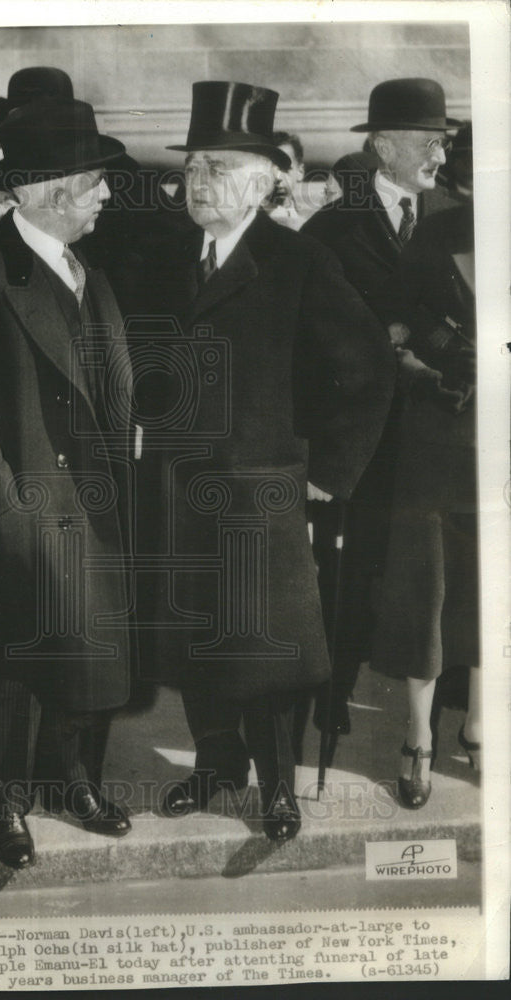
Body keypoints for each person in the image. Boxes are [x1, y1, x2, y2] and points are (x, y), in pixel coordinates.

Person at [133, 81, 395, 842]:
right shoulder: (165, 254)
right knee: (195, 636)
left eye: (218, 167)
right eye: (193, 169)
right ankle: (216, 765)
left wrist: (329, 471)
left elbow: (368, 369)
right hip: (181, 487)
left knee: (263, 648)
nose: (200, 184)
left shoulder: (295, 261)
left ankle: (276, 788)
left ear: (263, 178)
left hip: (261, 491)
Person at [0, 93, 135, 869]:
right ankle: (6, 808)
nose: (108, 194)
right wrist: (4, 513)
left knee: (88, 656)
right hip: (19, 511)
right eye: (96, 181)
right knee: (10, 671)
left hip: (95, 509)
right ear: (51, 190)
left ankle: (73, 782)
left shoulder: (89, 276)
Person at [301, 78, 460, 736]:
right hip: (357, 441)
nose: (441, 158)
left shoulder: (457, 218)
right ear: (383, 145)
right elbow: (311, 333)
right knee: (347, 571)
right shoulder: (333, 228)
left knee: (431, 581)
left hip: (440, 434)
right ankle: (330, 697)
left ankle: (433, 713)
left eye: (444, 144)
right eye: (429, 143)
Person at [371, 124, 479, 806]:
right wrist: (453, 355)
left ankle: (480, 727)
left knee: (499, 593)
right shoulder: (436, 235)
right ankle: (418, 738)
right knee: (426, 593)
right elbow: (397, 320)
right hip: (439, 441)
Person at [264, 131, 306, 229]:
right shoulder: (247, 227)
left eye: (285, 169)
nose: (278, 177)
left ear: (300, 172)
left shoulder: (306, 225)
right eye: (270, 170)